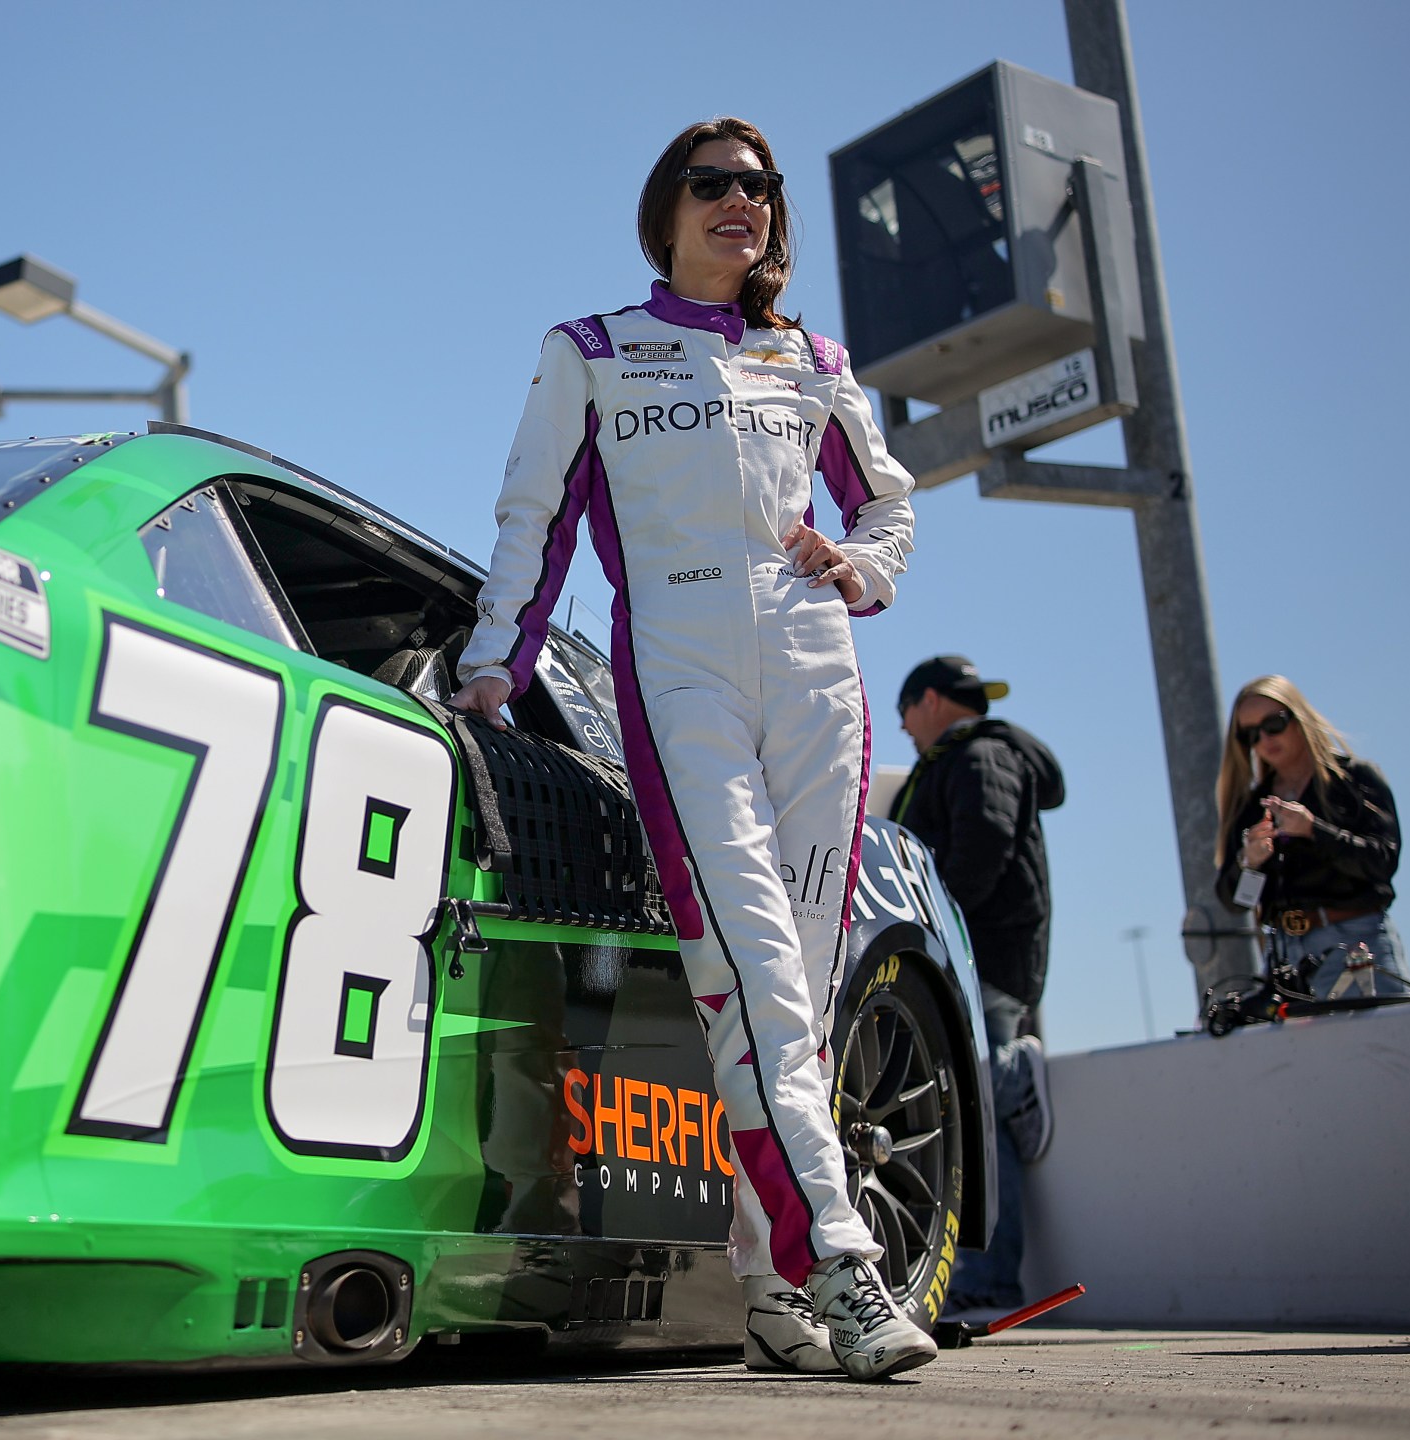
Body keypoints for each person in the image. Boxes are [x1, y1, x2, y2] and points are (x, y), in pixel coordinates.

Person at [448, 117, 931, 1380]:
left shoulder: (812, 359)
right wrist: (496, 658)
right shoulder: (591, 349)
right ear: (665, 209)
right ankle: (842, 1261)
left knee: (801, 1000)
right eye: (714, 183)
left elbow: (888, 501)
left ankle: (768, 1295)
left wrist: (860, 564)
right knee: (751, 972)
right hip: (679, 669)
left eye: (760, 187)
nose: (742, 202)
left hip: (816, 672)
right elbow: (535, 515)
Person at [889, 655, 1063, 1318]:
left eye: (905, 712)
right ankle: (986, 1280)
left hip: (980, 959)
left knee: (975, 1101)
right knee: (973, 1117)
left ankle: (1013, 1072)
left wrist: (937, 929)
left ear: (929, 700)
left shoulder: (977, 757)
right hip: (979, 958)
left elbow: (982, 849)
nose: (904, 728)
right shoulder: (969, 758)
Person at [1213, 676, 1410, 1000]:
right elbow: (1236, 902)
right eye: (1250, 734)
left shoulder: (1353, 780)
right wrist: (1249, 863)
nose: (1264, 739)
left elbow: (1382, 862)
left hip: (1355, 944)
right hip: (1284, 957)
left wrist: (1314, 830)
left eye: (1274, 724)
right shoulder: (1251, 807)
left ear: (1299, 717)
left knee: (1377, 1034)